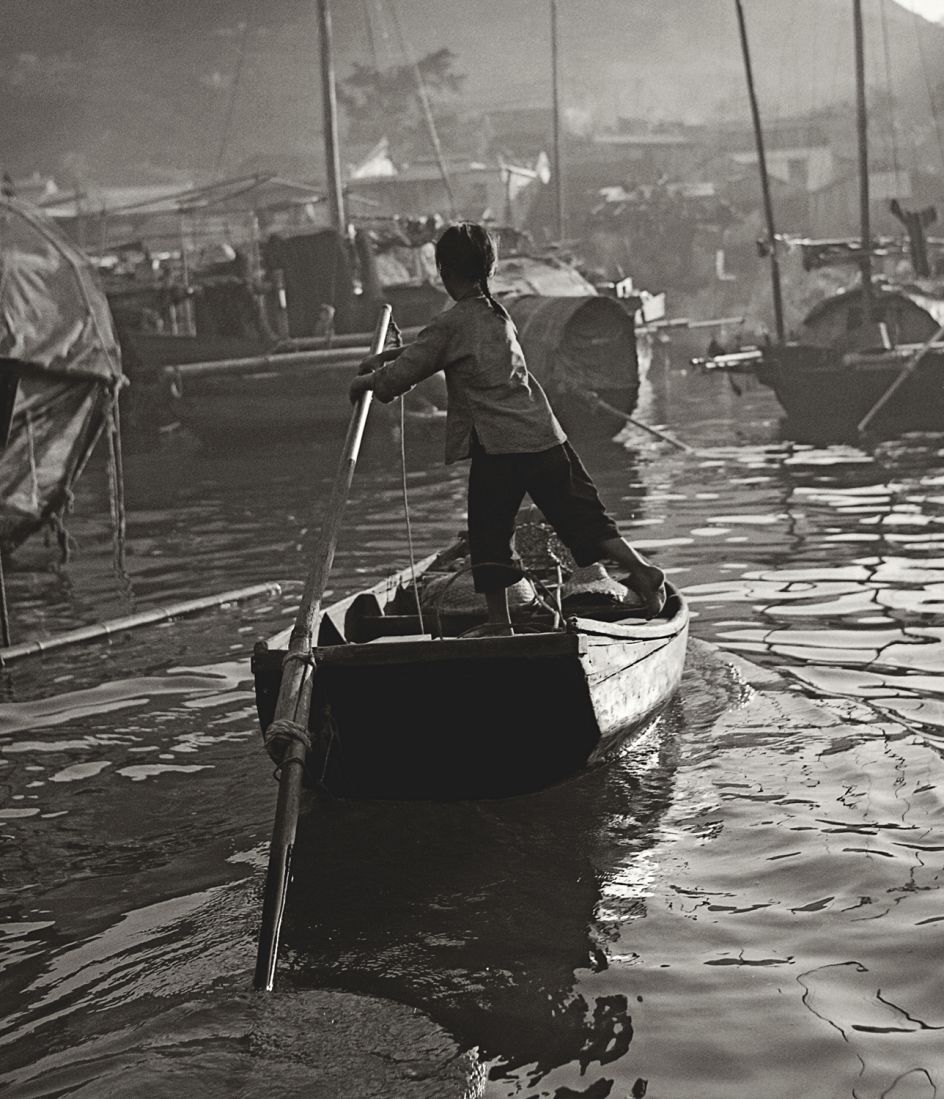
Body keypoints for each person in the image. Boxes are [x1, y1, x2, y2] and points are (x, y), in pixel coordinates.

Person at [350, 222, 666, 633]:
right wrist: (394, 355)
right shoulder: (494, 313)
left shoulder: (453, 323)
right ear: (490, 269)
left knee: (489, 534)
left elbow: (401, 378)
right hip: (543, 435)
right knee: (581, 516)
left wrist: (367, 381)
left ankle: (500, 622)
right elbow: (434, 352)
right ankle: (640, 568)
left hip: (499, 446)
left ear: (444, 271)